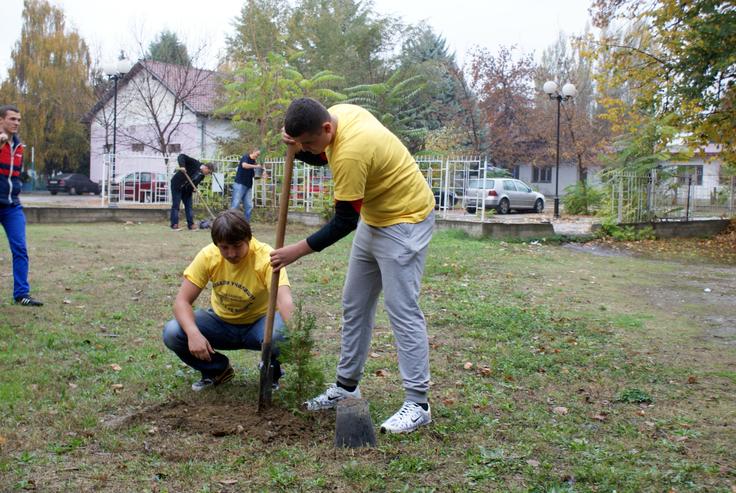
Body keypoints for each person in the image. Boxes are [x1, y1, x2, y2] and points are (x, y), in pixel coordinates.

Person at [270, 98, 436, 434]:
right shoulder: (338, 115)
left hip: (406, 219)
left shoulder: (351, 152)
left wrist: (296, 251)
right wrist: (298, 147)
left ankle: (418, 404)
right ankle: (346, 387)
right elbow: (321, 153)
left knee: (401, 309)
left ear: (326, 128)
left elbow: (344, 220)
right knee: (354, 303)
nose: (306, 149)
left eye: (307, 142)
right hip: (375, 218)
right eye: (301, 143)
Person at [163, 209, 294, 391]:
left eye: (237, 246)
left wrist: (297, 335)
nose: (231, 254)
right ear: (216, 244)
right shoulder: (208, 256)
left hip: (260, 324)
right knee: (173, 332)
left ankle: (271, 372)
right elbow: (181, 302)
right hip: (220, 323)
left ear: (248, 239)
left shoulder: (266, 257)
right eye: (224, 247)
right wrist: (193, 334)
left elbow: (284, 301)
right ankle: (217, 370)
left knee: (281, 335)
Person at [0, 104, 42, 307]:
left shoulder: (18, 147)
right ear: (1, 120)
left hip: (11, 206)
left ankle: (21, 294)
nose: (16, 123)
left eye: (18, 120)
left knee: (20, 249)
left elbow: (14, 176)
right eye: (12, 119)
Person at [170, 154, 214, 230]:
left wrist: (194, 188)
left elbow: (194, 183)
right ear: (206, 168)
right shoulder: (194, 163)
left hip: (187, 190)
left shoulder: (202, 175)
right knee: (176, 205)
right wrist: (182, 166)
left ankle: (191, 225)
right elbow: (181, 156)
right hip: (177, 185)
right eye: (209, 172)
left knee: (189, 206)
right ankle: (174, 224)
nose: (208, 174)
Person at [230, 148, 263, 221]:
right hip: (240, 184)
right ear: (253, 151)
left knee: (249, 206)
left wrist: (262, 175)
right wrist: (256, 166)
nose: (257, 156)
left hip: (248, 186)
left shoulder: (254, 162)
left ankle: (246, 223)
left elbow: (254, 175)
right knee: (235, 205)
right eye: (257, 154)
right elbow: (244, 165)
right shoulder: (246, 157)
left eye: (259, 155)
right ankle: (230, 223)